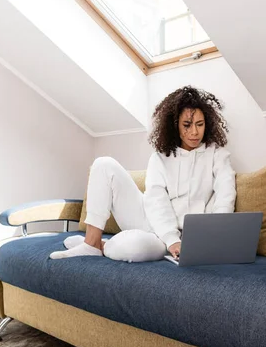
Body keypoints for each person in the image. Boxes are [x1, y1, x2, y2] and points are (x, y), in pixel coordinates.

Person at [50, 85, 236, 262]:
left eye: (200, 124)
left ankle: (101, 245)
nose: (194, 132)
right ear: (175, 125)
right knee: (104, 164)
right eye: (187, 124)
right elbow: (156, 200)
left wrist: (211, 236)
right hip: (149, 219)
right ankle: (91, 242)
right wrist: (171, 238)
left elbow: (225, 196)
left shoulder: (217, 155)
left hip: (168, 239)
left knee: (130, 248)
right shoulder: (160, 157)